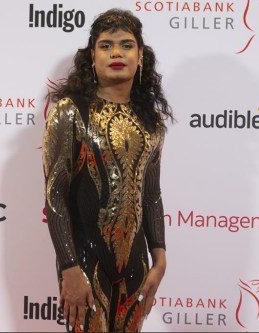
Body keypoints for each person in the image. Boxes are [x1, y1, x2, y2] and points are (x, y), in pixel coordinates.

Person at [42, 8, 174, 332]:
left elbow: (151, 195)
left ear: (141, 56)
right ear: (92, 57)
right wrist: (69, 268)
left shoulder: (151, 123)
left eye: (127, 45)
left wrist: (160, 258)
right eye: (106, 45)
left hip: (136, 265)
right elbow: (55, 194)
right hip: (84, 262)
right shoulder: (70, 113)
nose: (117, 52)